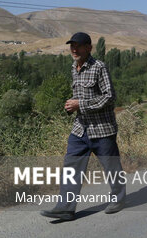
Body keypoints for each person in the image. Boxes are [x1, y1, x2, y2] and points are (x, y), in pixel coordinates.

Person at [41, 32, 126, 221]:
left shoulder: (99, 67)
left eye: (78, 46)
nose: (74, 49)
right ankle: (65, 208)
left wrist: (81, 104)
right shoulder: (74, 68)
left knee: (111, 167)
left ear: (89, 48)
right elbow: (80, 97)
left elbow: (109, 97)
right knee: (71, 167)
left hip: (103, 129)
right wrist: (72, 107)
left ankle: (119, 199)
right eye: (72, 45)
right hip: (80, 129)